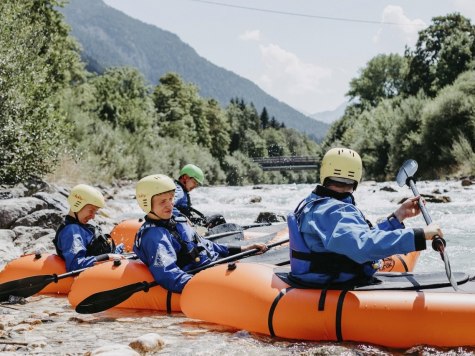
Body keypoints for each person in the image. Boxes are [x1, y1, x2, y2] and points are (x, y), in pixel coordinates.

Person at [288, 147, 444, 286]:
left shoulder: (316, 203)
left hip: (323, 275)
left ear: (325, 173)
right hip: (333, 282)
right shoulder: (335, 211)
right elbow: (363, 247)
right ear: (356, 178)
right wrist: (420, 235)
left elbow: (357, 237)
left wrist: (398, 217)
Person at [133, 174, 268, 293]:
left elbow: (204, 244)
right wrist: (206, 286)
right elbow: (169, 275)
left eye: (171, 198)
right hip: (201, 277)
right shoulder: (154, 237)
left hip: (212, 267)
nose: (170, 205)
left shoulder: (177, 220)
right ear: (146, 204)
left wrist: (242, 249)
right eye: (163, 201)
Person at [53, 184, 124, 272]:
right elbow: (76, 264)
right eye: (91, 211)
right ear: (77, 205)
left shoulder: (79, 226)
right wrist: (107, 257)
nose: (93, 217)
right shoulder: (71, 231)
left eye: (95, 212)